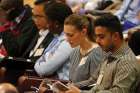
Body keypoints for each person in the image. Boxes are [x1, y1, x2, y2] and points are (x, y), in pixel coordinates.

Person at [62, 13, 140, 93]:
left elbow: (117, 91)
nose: (97, 41)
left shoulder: (127, 61)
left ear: (115, 36)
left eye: (101, 37)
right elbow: (94, 81)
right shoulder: (109, 54)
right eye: (96, 36)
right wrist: (70, 87)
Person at [34, 2, 73, 80]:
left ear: (56, 24)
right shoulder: (57, 38)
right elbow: (42, 59)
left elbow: (44, 70)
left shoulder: (68, 43)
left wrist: (37, 65)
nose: (47, 26)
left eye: (48, 22)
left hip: (63, 84)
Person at [63, 14, 104, 88]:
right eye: (66, 35)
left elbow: (95, 82)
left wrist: (73, 86)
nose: (67, 39)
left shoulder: (97, 53)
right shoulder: (74, 51)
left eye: (71, 35)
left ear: (83, 32)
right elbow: (72, 80)